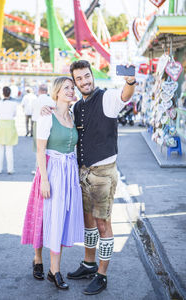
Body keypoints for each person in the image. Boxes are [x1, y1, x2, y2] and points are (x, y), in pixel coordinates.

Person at [41, 60, 136, 295]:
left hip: (103, 173)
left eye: (87, 76)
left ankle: (102, 275)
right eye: (79, 79)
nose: (84, 81)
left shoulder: (107, 98)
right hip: (81, 172)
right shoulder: (76, 107)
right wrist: (47, 108)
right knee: (88, 222)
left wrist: (131, 81)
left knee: (103, 224)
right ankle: (88, 264)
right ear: (75, 82)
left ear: (92, 75)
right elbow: (61, 118)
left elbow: (125, 95)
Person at [21, 76, 84, 290]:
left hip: (68, 172)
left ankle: (53, 270)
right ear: (56, 92)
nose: (71, 90)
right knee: (44, 216)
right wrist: (45, 180)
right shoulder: (47, 116)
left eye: (72, 87)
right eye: (66, 87)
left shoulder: (73, 116)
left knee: (60, 219)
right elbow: (40, 150)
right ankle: (39, 259)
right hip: (51, 171)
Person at [0, 86, 18, 174]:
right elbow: (14, 114)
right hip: (10, 125)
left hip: (0, 125)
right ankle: (10, 169)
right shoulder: (13, 103)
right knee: (9, 149)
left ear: (2, 93)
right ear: (10, 93)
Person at [31, 84, 56, 175]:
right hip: (50, 123)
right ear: (46, 91)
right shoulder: (51, 100)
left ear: (39, 91)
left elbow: (31, 112)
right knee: (48, 147)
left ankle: (38, 168)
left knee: (38, 148)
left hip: (37, 123)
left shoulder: (35, 100)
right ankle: (46, 168)